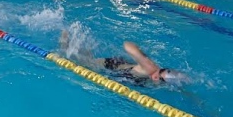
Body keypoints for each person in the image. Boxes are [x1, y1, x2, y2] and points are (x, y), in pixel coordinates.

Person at [60, 34, 189, 86]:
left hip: (123, 68)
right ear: (157, 77)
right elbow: (128, 46)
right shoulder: (150, 68)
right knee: (72, 59)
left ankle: (78, 46)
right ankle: (64, 42)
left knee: (86, 57)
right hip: (111, 66)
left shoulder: (159, 76)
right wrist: (141, 54)